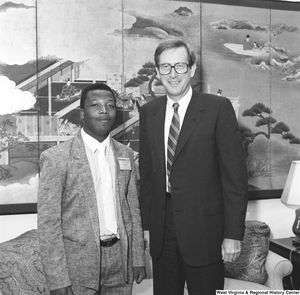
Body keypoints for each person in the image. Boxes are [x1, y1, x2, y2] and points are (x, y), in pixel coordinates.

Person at [139, 39, 248, 295]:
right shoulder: (149, 113)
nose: (173, 74)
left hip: (205, 233)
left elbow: (235, 179)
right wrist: (146, 226)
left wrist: (233, 235)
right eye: (165, 67)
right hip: (162, 232)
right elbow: (147, 176)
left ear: (192, 68)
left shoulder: (218, 109)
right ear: (157, 72)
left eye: (179, 65)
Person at [38, 83, 146, 295]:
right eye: (95, 105)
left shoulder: (126, 154)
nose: (104, 110)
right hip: (77, 265)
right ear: (82, 113)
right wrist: (57, 279)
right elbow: (48, 224)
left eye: (110, 105)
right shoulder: (56, 158)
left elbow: (132, 209)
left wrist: (137, 257)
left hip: (120, 262)